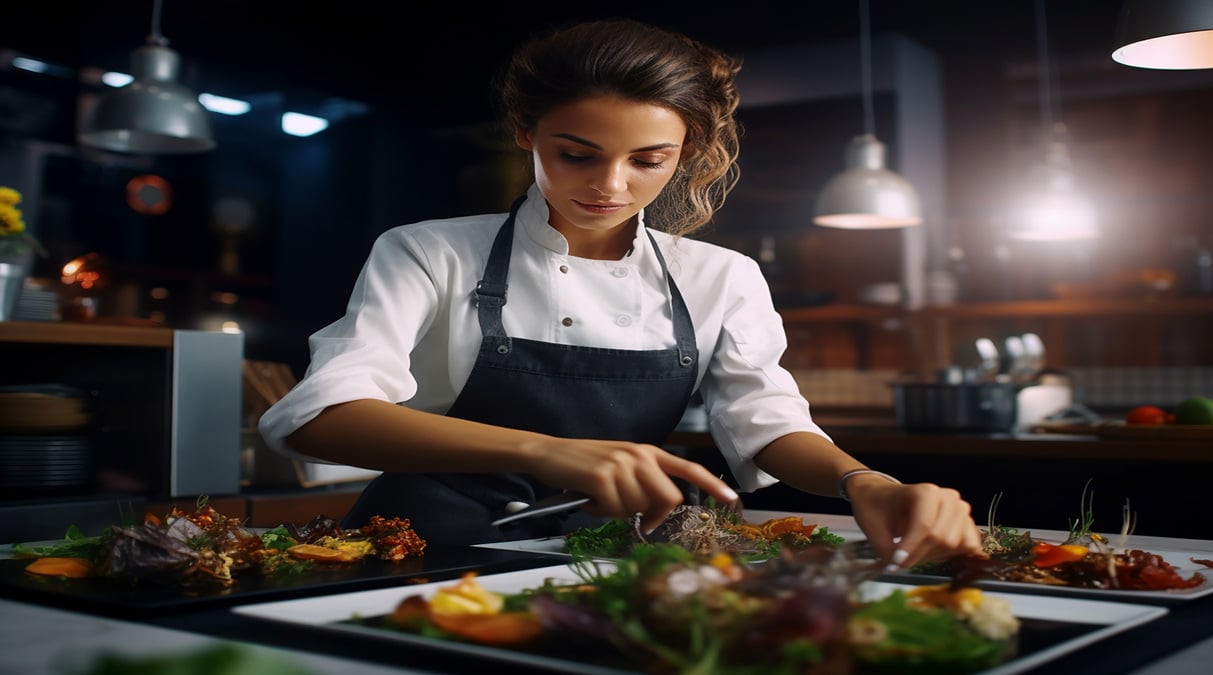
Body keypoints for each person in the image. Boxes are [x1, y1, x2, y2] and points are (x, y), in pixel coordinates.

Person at [258, 18, 983, 566]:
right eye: (576, 155)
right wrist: (549, 451)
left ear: (687, 154)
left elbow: (765, 423)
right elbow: (320, 416)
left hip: (608, 560)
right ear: (524, 132)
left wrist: (865, 483)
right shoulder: (430, 250)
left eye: (648, 160)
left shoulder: (720, 277)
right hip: (417, 554)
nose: (610, 186)